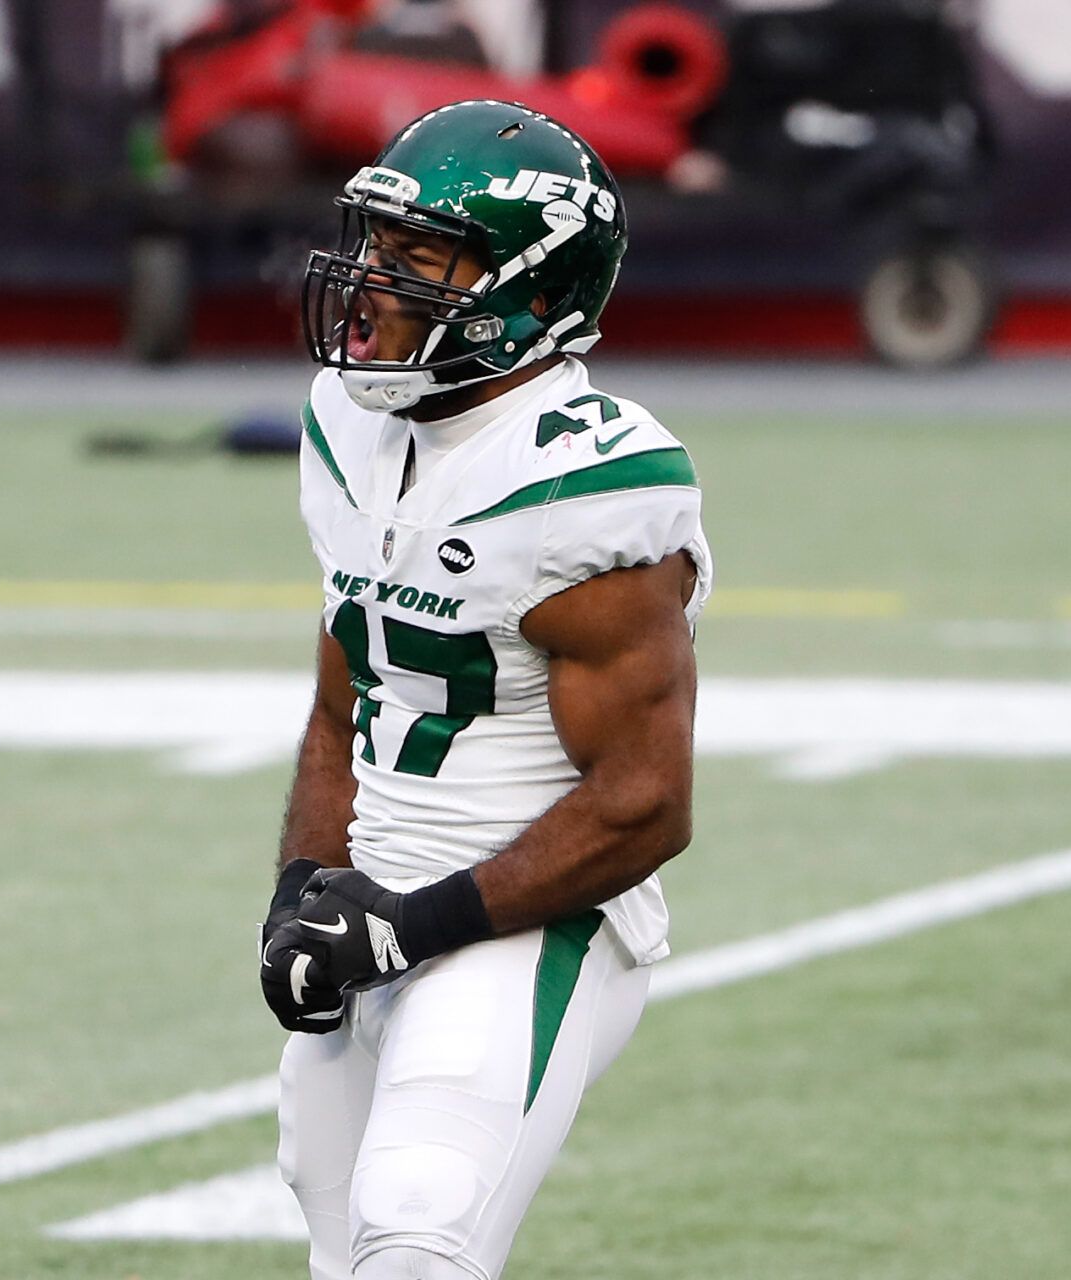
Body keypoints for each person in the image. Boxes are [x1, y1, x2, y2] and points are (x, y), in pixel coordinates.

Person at [259, 98, 713, 1280]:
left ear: (529, 291)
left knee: (416, 1227)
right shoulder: (347, 423)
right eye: (373, 245)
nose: (369, 282)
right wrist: (305, 886)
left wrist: (414, 926)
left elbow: (646, 801)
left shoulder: (586, 480)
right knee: (339, 1234)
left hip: (533, 916)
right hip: (376, 901)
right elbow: (343, 696)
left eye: (416, 259)